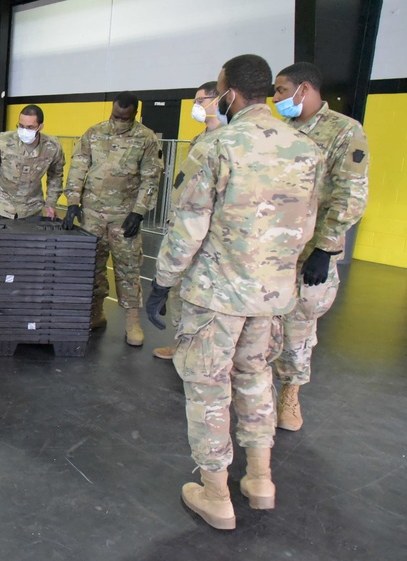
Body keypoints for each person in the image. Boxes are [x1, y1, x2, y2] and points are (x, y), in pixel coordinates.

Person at [145, 54, 322, 530]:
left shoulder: (217, 146)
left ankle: (216, 493)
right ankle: (261, 481)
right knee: (255, 377)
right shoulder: (305, 148)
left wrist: (163, 281)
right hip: (271, 296)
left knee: (207, 387)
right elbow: (306, 228)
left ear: (230, 92)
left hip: (216, 296)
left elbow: (189, 228)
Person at [270, 62, 369, 431]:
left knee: (299, 323)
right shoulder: (280, 131)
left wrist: (325, 250)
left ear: (305, 89)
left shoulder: (344, 131)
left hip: (311, 249)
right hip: (272, 247)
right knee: (264, 322)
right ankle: (258, 389)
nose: (276, 98)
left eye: (281, 90)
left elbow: (351, 194)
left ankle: (290, 394)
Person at [62, 92, 163, 346]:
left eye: (125, 118)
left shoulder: (146, 138)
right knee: (92, 266)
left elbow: (151, 178)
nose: (119, 121)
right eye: (116, 116)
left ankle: (132, 322)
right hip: (92, 214)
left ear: (135, 115)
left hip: (124, 215)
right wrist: (72, 202)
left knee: (128, 268)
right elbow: (78, 167)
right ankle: (96, 314)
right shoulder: (93, 133)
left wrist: (139, 211)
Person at [152, 81, 225, 360]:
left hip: (207, 236)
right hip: (184, 231)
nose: (196, 106)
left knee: (204, 298)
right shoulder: (200, 138)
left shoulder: (225, 141)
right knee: (181, 291)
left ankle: (201, 353)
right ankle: (183, 345)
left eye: (200, 100)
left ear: (218, 100)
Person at [0, 104, 65, 221]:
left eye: (30, 127)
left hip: (31, 209)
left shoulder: (52, 147)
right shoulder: (2, 142)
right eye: (21, 126)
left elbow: (56, 176)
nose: (24, 130)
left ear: (40, 127)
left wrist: (51, 203)